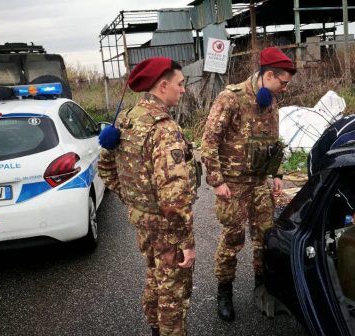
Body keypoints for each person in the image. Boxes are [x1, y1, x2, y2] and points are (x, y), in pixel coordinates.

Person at [97, 57, 198, 336]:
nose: (183, 90)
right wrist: (187, 242)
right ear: (163, 86)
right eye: (180, 84)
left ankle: (155, 328)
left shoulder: (126, 120)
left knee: (156, 275)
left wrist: (133, 199)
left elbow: (105, 167)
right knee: (173, 292)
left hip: (143, 221)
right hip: (167, 227)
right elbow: (174, 199)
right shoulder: (163, 130)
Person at [201, 47, 296, 322]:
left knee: (264, 238)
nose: (285, 88)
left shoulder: (270, 102)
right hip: (232, 186)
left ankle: (261, 287)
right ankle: (224, 292)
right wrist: (217, 182)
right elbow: (208, 142)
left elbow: (272, 144)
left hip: (258, 184)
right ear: (268, 75)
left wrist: (276, 174)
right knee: (232, 240)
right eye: (283, 82)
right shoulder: (231, 98)